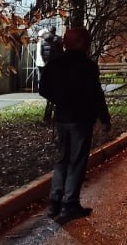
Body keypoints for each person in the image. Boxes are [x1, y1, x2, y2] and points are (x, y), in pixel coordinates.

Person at [41, 26, 110, 221]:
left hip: (63, 117)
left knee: (63, 159)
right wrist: (103, 118)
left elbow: (43, 88)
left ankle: (55, 201)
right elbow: (96, 94)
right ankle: (69, 204)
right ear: (81, 43)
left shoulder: (56, 63)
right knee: (77, 161)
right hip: (81, 118)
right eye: (86, 41)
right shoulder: (87, 66)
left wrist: (60, 100)